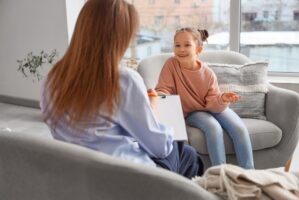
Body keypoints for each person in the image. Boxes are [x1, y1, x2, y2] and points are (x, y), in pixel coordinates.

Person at [40, 0, 203, 178]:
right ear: (119, 37)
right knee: (187, 153)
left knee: (185, 153)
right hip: (125, 177)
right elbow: (161, 148)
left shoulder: (52, 78)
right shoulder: (123, 80)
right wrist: (153, 110)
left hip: (79, 171)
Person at [155, 27, 254, 169]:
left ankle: (250, 174)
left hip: (212, 106)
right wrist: (161, 95)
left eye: (187, 45)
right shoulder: (171, 65)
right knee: (213, 127)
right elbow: (164, 88)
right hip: (192, 111)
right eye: (177, 45)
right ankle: (220, 174)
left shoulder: (208, 73)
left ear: (198, 49)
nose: (181, 49)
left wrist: (223, 98)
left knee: (239, 128)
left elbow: (213, 100)